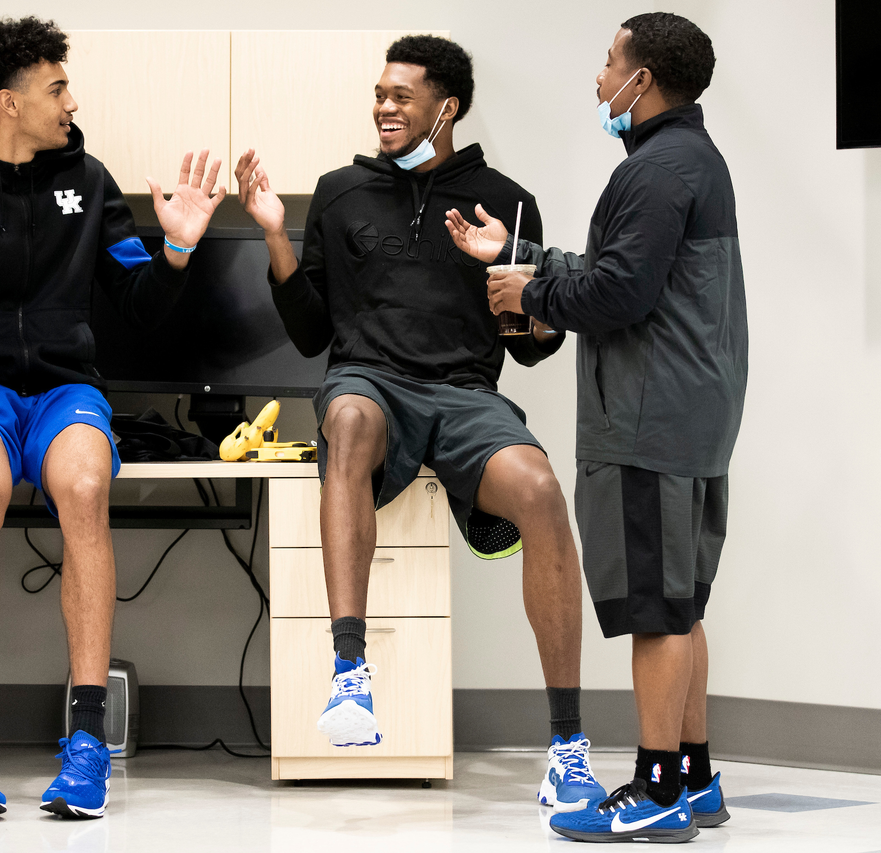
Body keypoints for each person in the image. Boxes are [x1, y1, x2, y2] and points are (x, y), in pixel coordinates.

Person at [0, 16, 225, 820]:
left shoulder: (88, 182)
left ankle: (87, 741)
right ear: (9, 103)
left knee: (86, 484)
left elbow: (139, 307)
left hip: (66, 388)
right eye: (56, 87)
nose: (70, 101)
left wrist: (175, 253)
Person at [234, 34, 606, 811]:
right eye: (380, 94)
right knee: (352, 422)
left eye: (401, 96)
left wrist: (529, 304)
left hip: (466, 392)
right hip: (368, 377)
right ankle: (349, 678)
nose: (383, 108)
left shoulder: (505, 200)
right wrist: (274, 232)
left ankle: (568, 745)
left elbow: (529, 349)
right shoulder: (339, 193)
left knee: (540, 488)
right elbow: (309, 334)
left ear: (448, 107)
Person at [447, 12, 746, 844]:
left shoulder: (655, 171)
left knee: (655, 610)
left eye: (609, 59)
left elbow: (620, 294)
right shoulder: (691, 158)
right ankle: (693, 778)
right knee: (680, 605)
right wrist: (522, 251)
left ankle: (655, 793)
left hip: (648, 422)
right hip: (691, 416)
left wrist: (526, 294)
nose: (599, 74)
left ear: (641, 79)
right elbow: (628, 272)